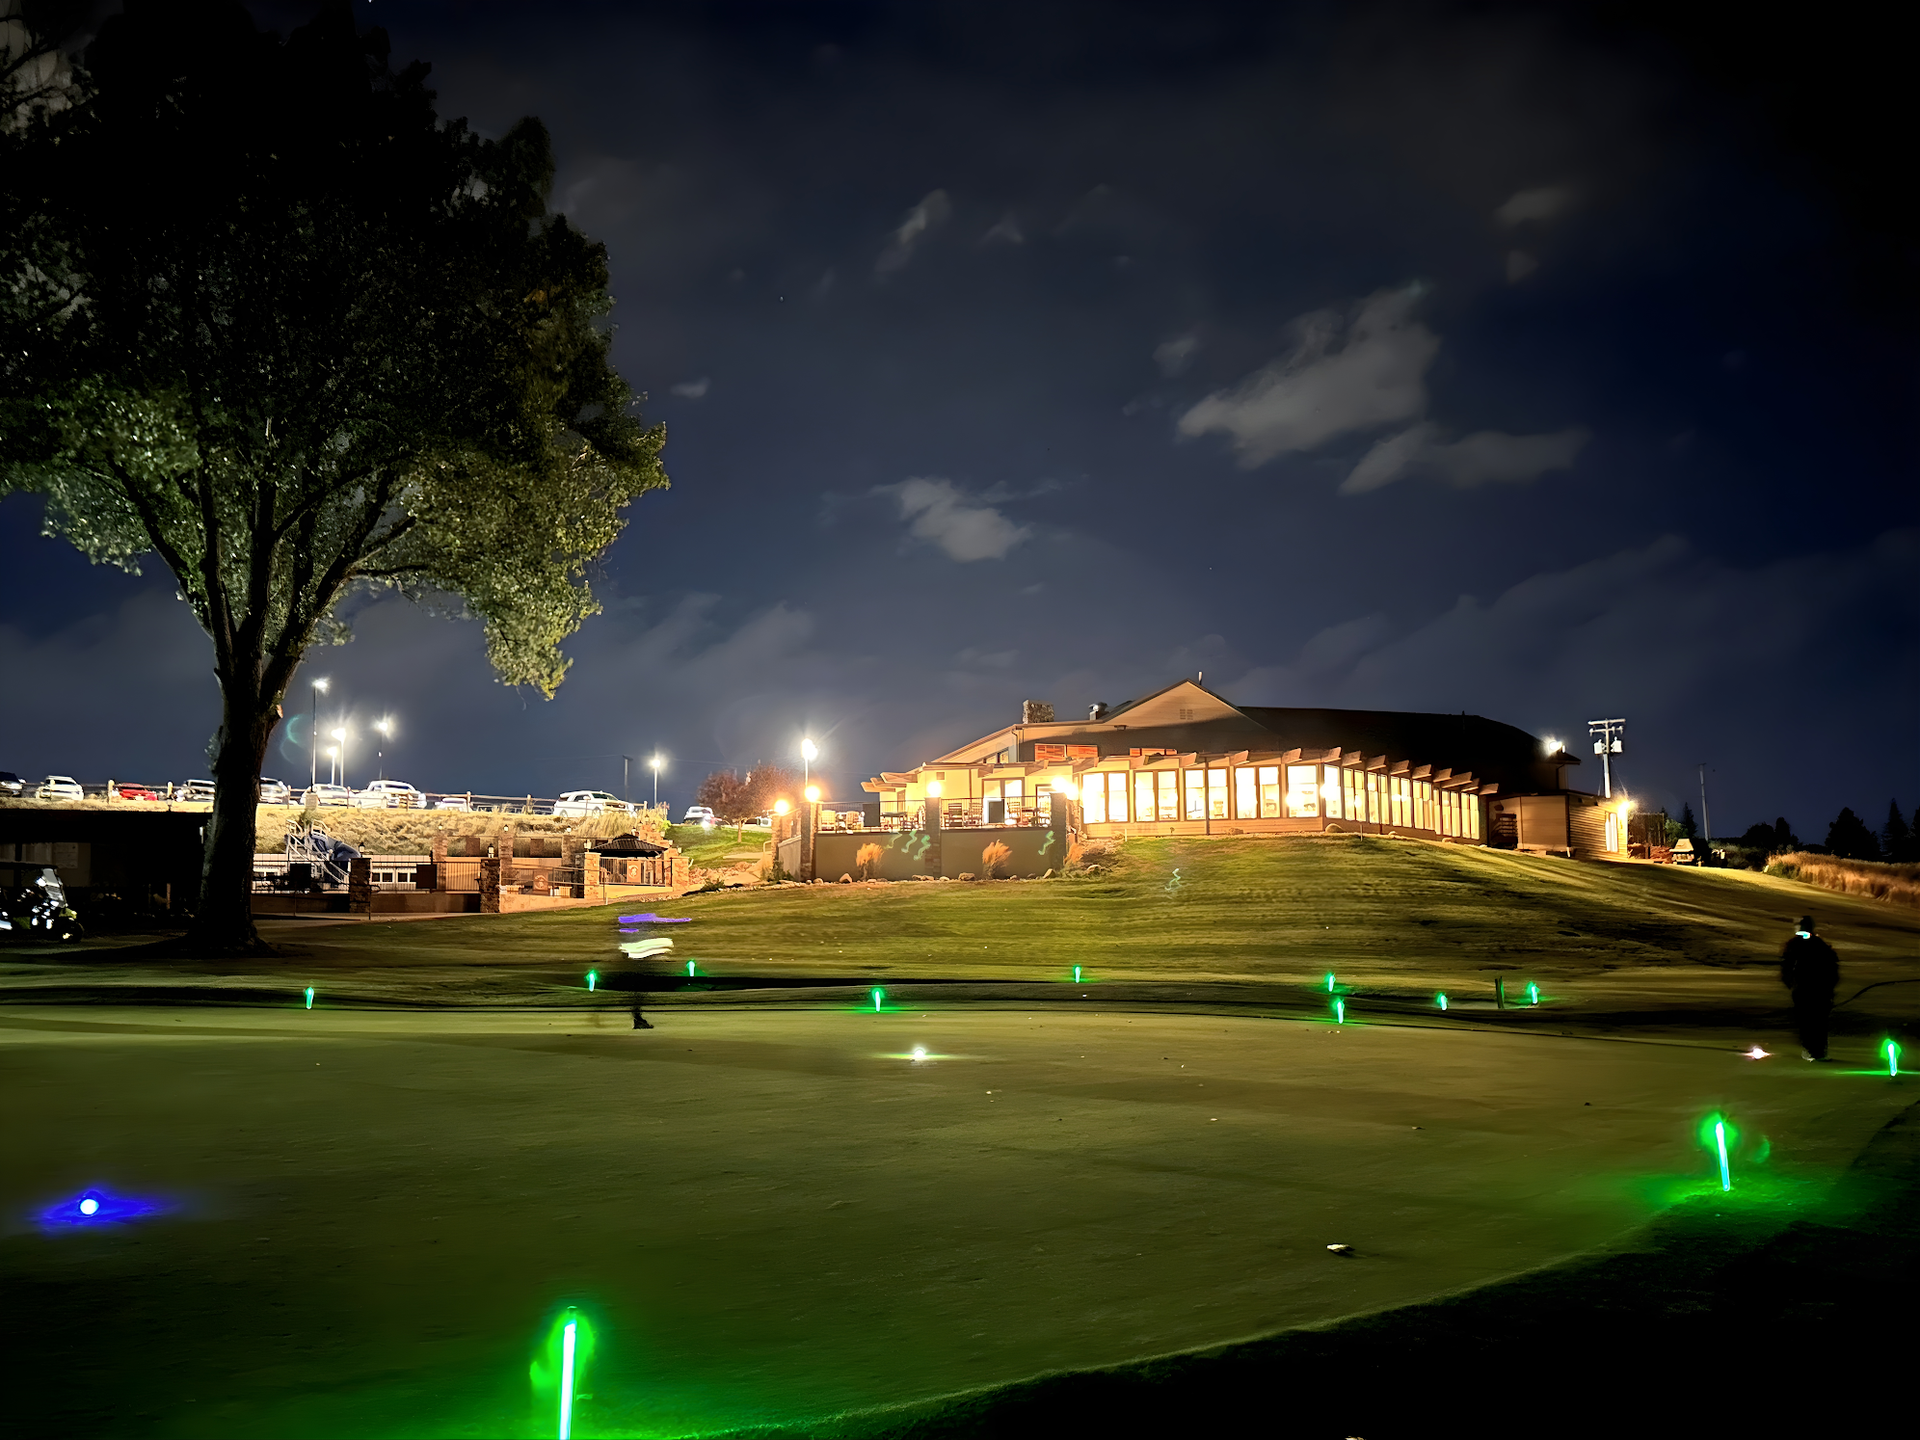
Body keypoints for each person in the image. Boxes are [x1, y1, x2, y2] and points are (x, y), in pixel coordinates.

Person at [1779, 915, 1839, 1061]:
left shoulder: (1800, 944)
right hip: (1814, 990)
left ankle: (1814, 1051)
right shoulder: (1818, 944)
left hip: (1811, 989)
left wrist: (1790, 982)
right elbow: (1832, 966)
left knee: (1811, 1021)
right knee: (1815, 1021)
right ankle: (1816, 1051)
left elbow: (1787, 965)